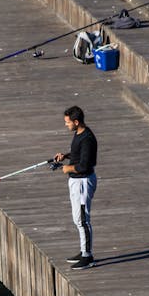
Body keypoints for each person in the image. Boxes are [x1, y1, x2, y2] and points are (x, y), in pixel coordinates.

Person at [53, 106, 98, 270]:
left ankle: (88, 256)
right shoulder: (79, 134)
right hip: (76, 182)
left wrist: (68, 168)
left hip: (83, 183)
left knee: (83, 220)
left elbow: (85, 165)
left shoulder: (87, 138)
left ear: (76, 122)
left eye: (67, 122)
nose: (66, 125)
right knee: (77, 218)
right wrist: (66, 156)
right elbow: (79, 155)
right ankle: (83, 250)